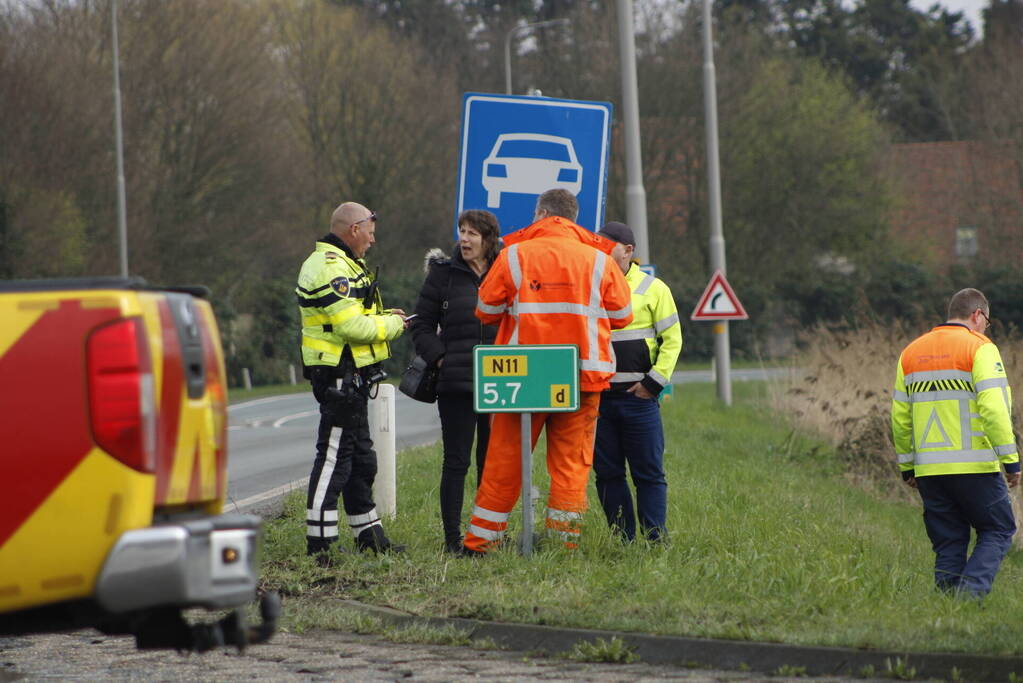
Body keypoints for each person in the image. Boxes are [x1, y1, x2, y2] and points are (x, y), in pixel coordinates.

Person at [461, 189, 633, 555]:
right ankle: (562, 546)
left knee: (505, 459)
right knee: (572, 465)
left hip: (523, 378)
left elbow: (485, 310)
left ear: (540, 213)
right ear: (574, 218)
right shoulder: (600, 259)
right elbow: (622, 316)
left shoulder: (514, 255)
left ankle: (480, 543)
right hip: (582, 376)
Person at [296, 202, 408, 558]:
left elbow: (356, 315)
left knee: (361, 458)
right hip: (337, 376)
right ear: (354, 229)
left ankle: (369, 536)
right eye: (370, 233)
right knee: (334, 457)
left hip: (351, 375)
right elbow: (351, 327)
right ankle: (321, 545)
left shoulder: (344, 263)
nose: (373, 241)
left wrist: (385, 314)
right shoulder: (331, 269)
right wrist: (395, 325)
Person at [891, 287, 1019, 597]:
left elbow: (900, 416)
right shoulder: (981, 349)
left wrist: (908, 467)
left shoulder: (911, 352)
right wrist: (1010, 460)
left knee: (949, 540)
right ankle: (970, 593)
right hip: (975, 466)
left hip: (930, 473)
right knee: (998, 529)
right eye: (986, 321)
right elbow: (992, 408)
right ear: (977, 315)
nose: (986, 327)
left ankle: (948, 606)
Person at [410, 209, 502, 553]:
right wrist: (440, 356)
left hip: (501, 383)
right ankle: (452, 539)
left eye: (473, 233)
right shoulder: (443, 275)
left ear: (488, 239)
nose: (464, 239)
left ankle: (487, 535)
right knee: (456, 461)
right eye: (462, 231)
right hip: (456, 383)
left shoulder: (505, 270)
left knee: (492, 462)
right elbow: (420, 325)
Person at [592, 221, 682, 542]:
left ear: (628, 250)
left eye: (607, 246)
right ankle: (623, 540)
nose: (599, 252)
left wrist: (653, 385)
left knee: (649, 474)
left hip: (640, 399)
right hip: (598, 399)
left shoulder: (654, 289)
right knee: (607, 474)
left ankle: (655, 539)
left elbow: (672, 341)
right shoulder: (590, 287)